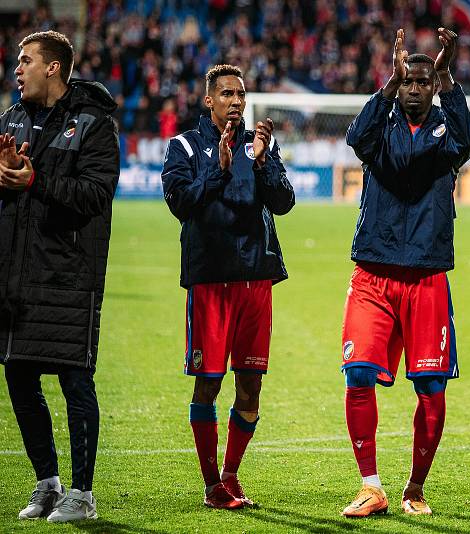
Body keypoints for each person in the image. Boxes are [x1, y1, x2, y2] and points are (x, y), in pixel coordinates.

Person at [339, 27, 470, 518]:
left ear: (433, 86)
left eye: (424, 81)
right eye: (408, 81)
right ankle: (371, 485)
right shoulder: (380, 131)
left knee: (432, 393)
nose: (415, 88)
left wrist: (450, 80)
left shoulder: (446, 135)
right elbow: (356, 137)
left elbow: (469, 139)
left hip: (426, 275)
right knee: (357, 374)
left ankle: (415, 487)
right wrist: (385, 86)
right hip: (373, 271)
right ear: (399, 85)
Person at [160, 64, 294, 509]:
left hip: (257, 279)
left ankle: (231, 476)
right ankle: (210, 483)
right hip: (211, 281)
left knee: (251, 387)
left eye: (241, 94)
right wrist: (217, 171)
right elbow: (181, 203)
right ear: (208, 100)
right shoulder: (183, 146)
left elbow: (284, 203)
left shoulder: (258, 146)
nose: (236, 101)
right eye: (227, 94)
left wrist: (264, 162)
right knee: (209, 384)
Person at [0, 31, 120, 522]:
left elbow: (95, 196)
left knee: (75, 380)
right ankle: (47, 483)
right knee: (19, 376)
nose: (17, 69)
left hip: (69, 273)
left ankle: (83, 494)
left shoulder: (94, 123)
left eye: (25, 61)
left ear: (53, 68)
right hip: (17, 272)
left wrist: (34, 180)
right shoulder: (12, 119)